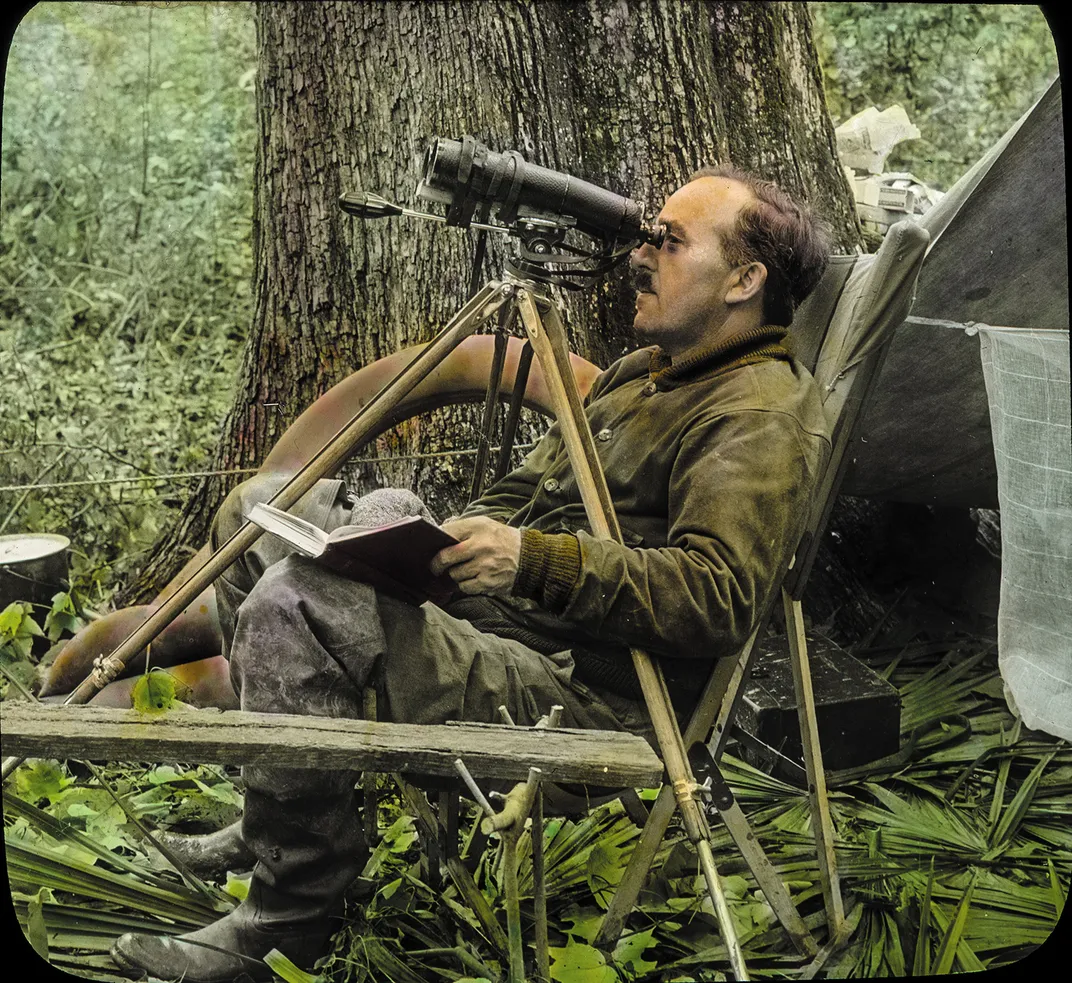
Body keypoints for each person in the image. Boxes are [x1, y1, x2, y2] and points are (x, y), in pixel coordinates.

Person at [111, 164, 833, 982]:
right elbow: (530, 490)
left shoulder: (753, 415)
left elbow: (718, 596)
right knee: (264, 509)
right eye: (648, 235)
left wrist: (528, 559)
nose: (640, 257)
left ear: (745, 279)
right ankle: (276, 812)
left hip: (594, 694)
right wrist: (438, 545)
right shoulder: (647, 376)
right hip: (511, 624)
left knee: (295, 600)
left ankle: (288, 914)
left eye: (670, 242)